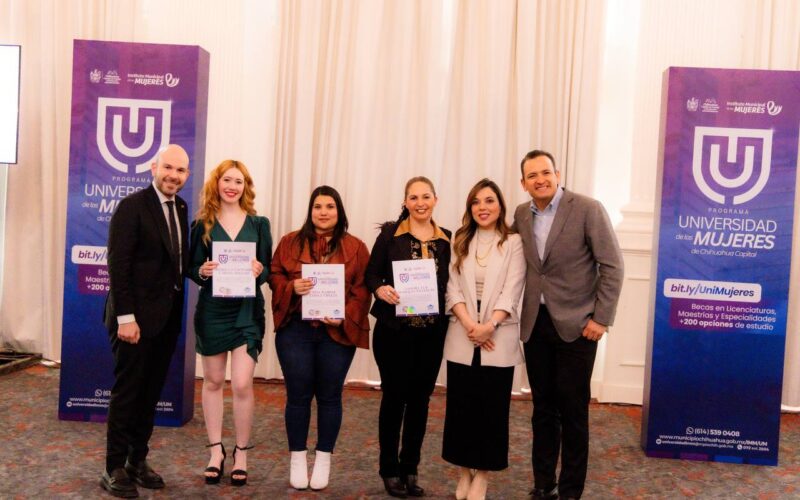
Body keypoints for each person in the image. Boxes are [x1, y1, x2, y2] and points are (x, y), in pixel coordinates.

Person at [513, 150, 624, 500]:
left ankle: (571, 490)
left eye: (545, 172)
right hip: (536, 325)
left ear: (557, 174)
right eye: (532, 175)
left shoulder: (587, 208)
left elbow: (613, 266)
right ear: (524, 183)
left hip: (578, 326)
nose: (540, 180)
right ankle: (543, 483)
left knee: (573, 410)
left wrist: (601, 319)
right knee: (543, 408)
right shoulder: (520, 214)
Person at [101, 144, 191, 498]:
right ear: (154, 167)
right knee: (128, 394)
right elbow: (118, 267)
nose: (173, 175)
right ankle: (112, 467)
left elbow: (175, 263)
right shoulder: (132, 206)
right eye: (168, 167)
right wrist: (126, 318)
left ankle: (137, 461)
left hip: (165, 322)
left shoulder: (180, 207)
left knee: (150, 393)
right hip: (132, 323)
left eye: (181, 171)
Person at [269, 185, 371, 491]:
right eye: (317, 206)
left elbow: (363, 289)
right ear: (310, 210)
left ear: (339, 211)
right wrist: (291, 287)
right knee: (298, 395)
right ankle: (297, 457)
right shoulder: (289, 242)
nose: (323, 212)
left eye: (330, 206)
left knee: (329, 396)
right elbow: (274, 275)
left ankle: (324, 456)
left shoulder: (355, 246)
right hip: (296, 330)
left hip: (336, 333)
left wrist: (344, 314)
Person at [365, 176, 452, 498]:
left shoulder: (447, 241)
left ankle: (410, 467)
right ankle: (388, 469)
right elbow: (370, 274)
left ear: (435, 199)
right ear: (406, 201)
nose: (420, 203)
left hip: (431, 335)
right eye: (413, 197)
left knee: (420, 401)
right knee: (393, 398)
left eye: (425, 196)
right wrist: (381, 288)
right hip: (393, 333)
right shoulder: (390, 235)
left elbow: (451, 285)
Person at [187, 160, 272, 487]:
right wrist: (202, 272)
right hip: (213, 311)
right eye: (227, 180)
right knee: (211, 381)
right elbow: (191, 268)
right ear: (217, 184)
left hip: (247, 312)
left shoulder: (259, 224)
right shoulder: (203, 224)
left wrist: (258, 271)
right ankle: (215, 452)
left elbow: (268, 270)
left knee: (240, 384)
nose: (232, 186)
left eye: (238, 181)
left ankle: (242, 453)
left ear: (245, 186)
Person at [441, 179, 526, 500]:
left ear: (500, 206)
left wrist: (489, 325)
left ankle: (484, 475)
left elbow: (513, 288)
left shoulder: (514, 242)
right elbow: (452, 288)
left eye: (489, 201)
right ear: (470, 208)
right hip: (462, 334)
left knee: (492, 410)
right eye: (476, 202)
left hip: (498, 335)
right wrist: (470, 325)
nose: (483, 207)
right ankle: (463, 471)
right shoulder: (460, 240)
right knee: (460, 408)